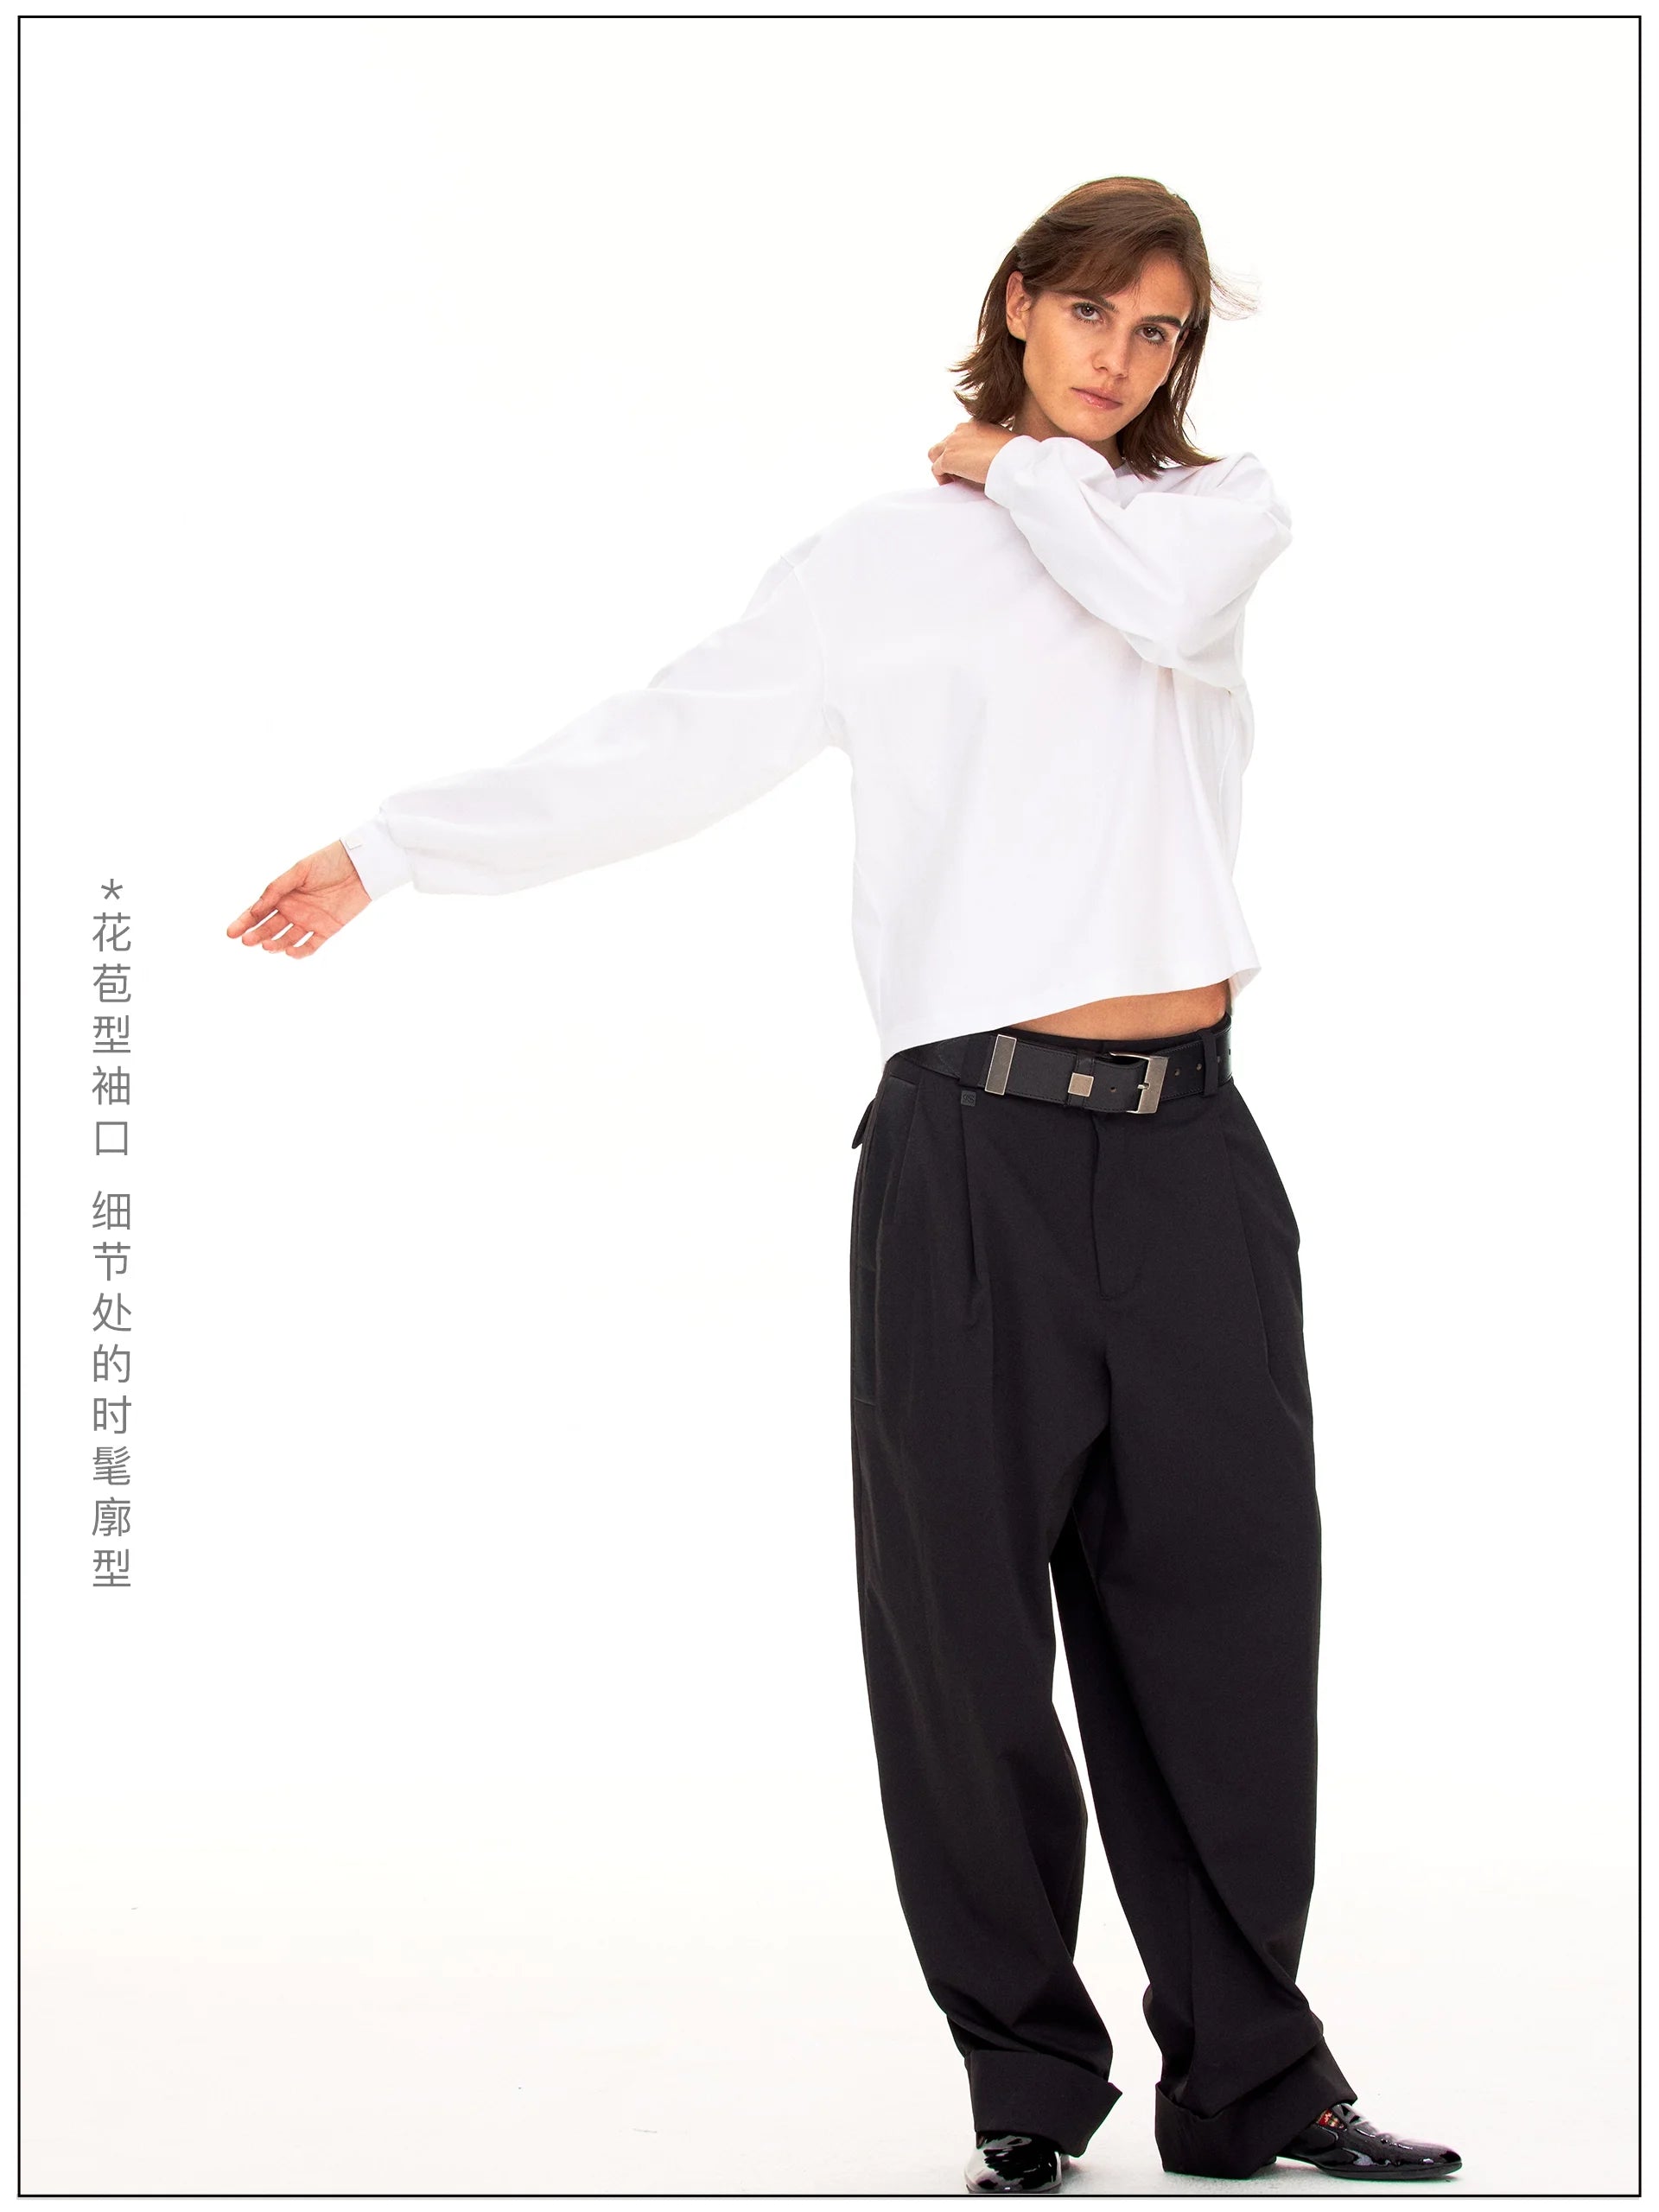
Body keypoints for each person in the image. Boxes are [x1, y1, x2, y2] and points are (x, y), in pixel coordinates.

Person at [226, 175, 1461, 2195]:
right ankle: (1027, 2081)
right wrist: (396, 848)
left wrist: (1018, 465)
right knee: (958, 1642)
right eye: (1092, 311)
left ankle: (1257, 2081)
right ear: (1021, 299)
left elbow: (1150, 604)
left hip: (1190, 1151)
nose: (1123, 356)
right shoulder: (879, 560)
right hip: (969, 1146)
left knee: (1231, 1621)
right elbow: (665, 741)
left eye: (1160, 330)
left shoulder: (1208, 518)